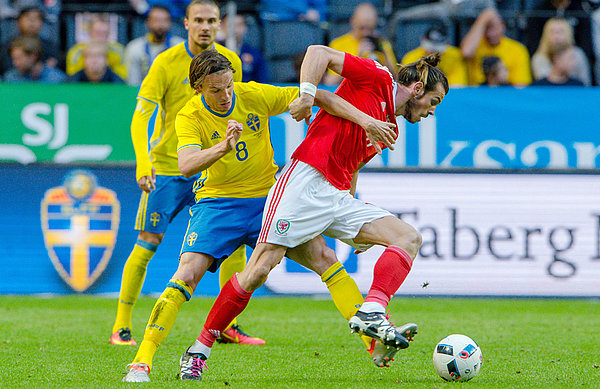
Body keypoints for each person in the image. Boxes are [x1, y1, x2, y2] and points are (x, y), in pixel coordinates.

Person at [122, 49, 405, 382]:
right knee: (186, 275)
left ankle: (372, 345)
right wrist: (222, 148)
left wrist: (310, 98)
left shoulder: (252, 94)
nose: (226, 95)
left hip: (269, 201)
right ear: (198, 88)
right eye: (216, 90)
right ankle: (142, 361)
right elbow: (186, 165)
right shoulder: (189, 115)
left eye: (229, 85)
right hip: (218, 204)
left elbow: (324, 97)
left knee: (325, 258)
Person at [177, 45, 449, 381]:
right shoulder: (377, 78)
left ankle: (374, 312)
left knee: (408, 237)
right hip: (304, 181)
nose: (431, 112)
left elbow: (352, 167)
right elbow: (318, 52)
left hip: (336, 197)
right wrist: (306, 94)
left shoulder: (388, 127)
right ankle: (198, 350)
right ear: (418, 89)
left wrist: (356, 225)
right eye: (433, 102)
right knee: (259, 270)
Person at [109, 0, 252, 348]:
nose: (205, 26)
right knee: (147, 244)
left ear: (220, 25)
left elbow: (231, 112)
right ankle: (121, 328)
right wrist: (144, 162)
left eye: (212, 21)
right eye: (199, 20)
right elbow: (141, 115)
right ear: (186, 23)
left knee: (232, 241)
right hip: (168, 169)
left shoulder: (229, 63)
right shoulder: (166, 62)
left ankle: (228, 326)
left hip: (209, 167)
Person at [324, 2, 397, 85]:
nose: (366, 33)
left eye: (370, 29)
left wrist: (384, 56)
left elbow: (395, 79)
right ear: (353, 21)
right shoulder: (338, 44)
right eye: (361, 28)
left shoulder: (382, 44)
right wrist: (357, 59)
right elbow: (330, 82)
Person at [460, 7, 531, 86]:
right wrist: (483, 19)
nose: (490, 34)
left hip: (505, 94)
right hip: (477, 94)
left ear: (502, 26)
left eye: (493, 28)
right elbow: (466, 52)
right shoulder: (476, 46)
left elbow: (521, 85)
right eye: (486, 28)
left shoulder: (517, 50)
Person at [124, 5, 184, 86]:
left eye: (164, 20)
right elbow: (133, 83)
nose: (160, 25)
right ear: (147, 22)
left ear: (170, 23)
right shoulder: (134, 48)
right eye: (156, 20)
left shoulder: (181, 46)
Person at [531, 17, 591, 86]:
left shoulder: (577, 54)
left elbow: (586, 83)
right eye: (552, 32)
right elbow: (544, 87)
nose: (556, 36)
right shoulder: (539, 57)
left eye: (561, 31)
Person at [401, 25, 467, 86]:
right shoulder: (411, 58)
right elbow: (408, 87)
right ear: (422, 40)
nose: (432, 54)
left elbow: (457, 86)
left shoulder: (454, 56)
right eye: (430, 49)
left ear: (447, 43)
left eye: (437, 50)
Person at [66, 14, 127, 80]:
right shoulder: (76, 52)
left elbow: (121, 79)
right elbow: (72, 79)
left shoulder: (118, 51)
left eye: (104, 33)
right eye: (97, 33)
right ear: (90, 32)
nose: (100, 38)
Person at [2, 6, 60, 74]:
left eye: (36, 19)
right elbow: (4, 66)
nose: (32, 23)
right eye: (28, 18)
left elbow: (57, 64)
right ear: (18, 21)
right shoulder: (8, 45)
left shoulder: (50, 46)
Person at [217, 13, 269, 83]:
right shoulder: (215, 51)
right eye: (230, 25)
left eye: (238, 25)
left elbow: (263, 81)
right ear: (221, 27)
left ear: (245, 27)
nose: (234, 30)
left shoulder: (254, 53)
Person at [260, 0, 327, 22]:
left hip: (307, 29)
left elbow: (323, 8)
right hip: (276, 27)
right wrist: (304, 11)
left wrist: (317, 15)